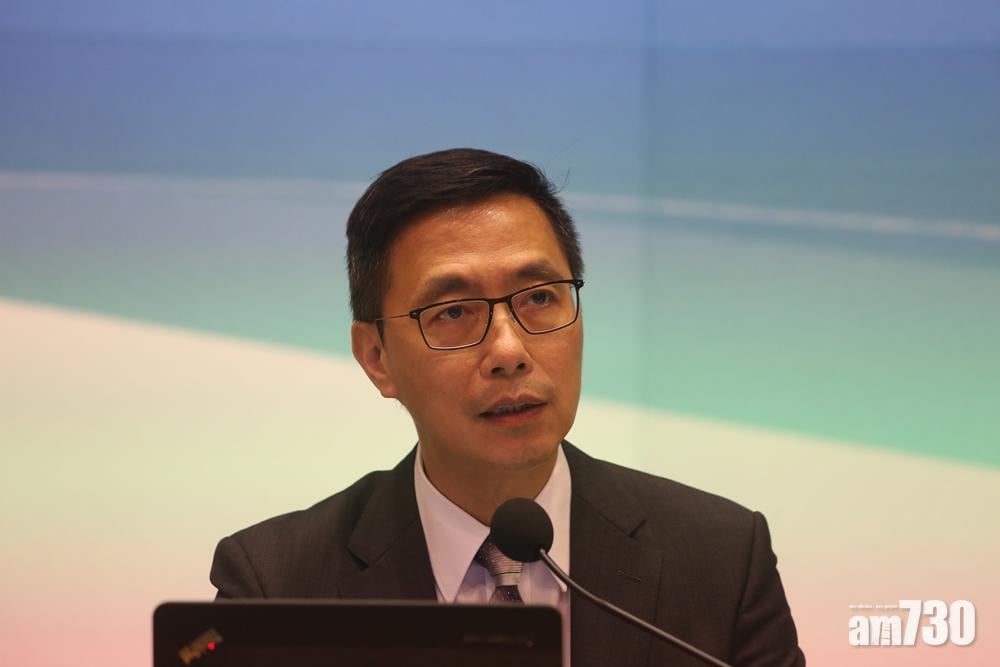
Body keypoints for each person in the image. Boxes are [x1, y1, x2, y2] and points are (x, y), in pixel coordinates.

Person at [210, 148, 805, 667]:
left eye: (540, 298)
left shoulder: (721, 559)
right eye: (452, 312)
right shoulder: (275, 587)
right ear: (376, 358)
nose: (509, 352)